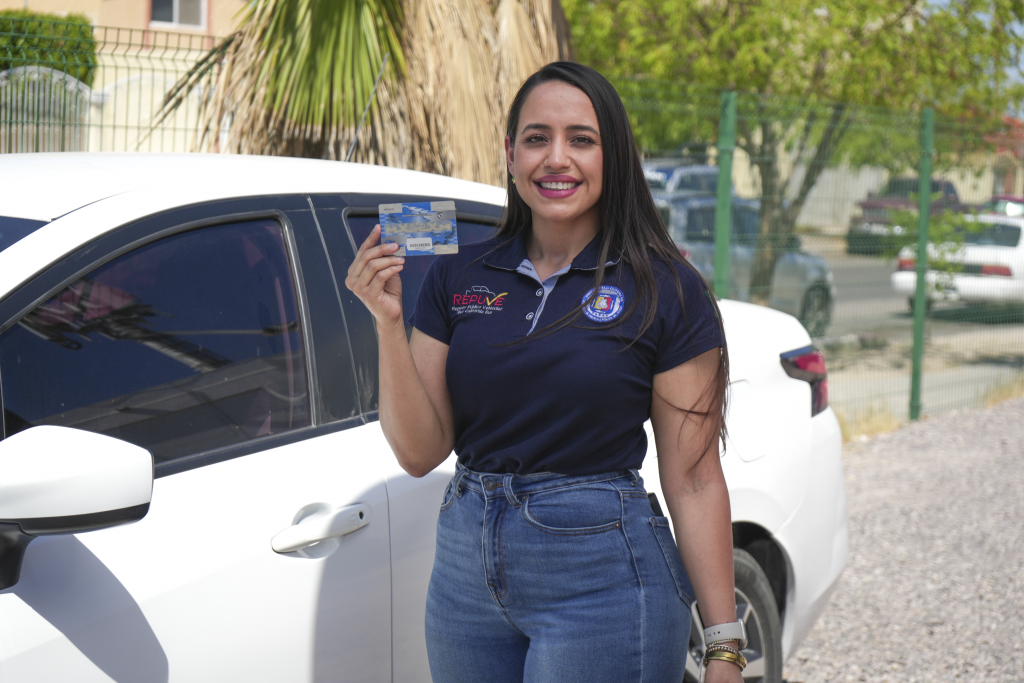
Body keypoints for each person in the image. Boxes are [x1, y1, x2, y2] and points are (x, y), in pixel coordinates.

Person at [346, 62, 745, 683]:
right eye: (537, 138)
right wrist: (386, 323)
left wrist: (723, 647)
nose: (556, 158)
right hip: (464, 579)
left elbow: (693, 480)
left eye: (581, 139)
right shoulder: (458, 274)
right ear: (511, 154)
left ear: (613, 156)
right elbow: (419, 453)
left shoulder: (666, 288)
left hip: (603, 585)